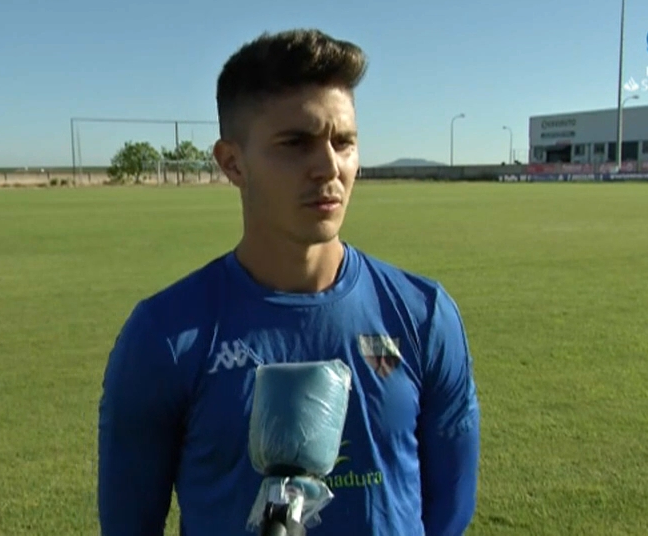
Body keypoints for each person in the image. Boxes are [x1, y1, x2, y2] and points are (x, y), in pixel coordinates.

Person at [98, 28, 481, 536]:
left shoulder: (423, 315)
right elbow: (130, 523)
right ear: (233, 162)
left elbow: (448, 512)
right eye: (296, 143)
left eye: (343, 142)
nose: (329, 167)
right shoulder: (166, 335)